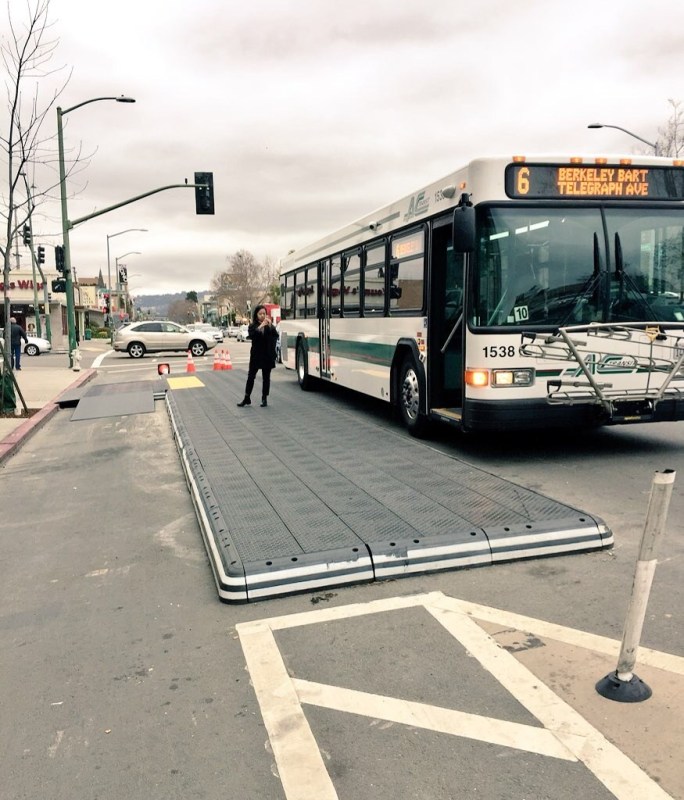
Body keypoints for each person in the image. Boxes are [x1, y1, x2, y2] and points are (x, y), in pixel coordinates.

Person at [237, 305, 279, 408]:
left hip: (267, 355)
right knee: (251, 376)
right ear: (256, 315)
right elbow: (252, 336)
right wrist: (260, 326)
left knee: (266, 378)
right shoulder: (252, 325)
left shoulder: (269, 325)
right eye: (260, 314)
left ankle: (264, 398)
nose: (262, 316)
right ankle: (247, 397)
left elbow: (275, 335)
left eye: (264, 314)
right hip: (256, 355)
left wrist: (269, 326)